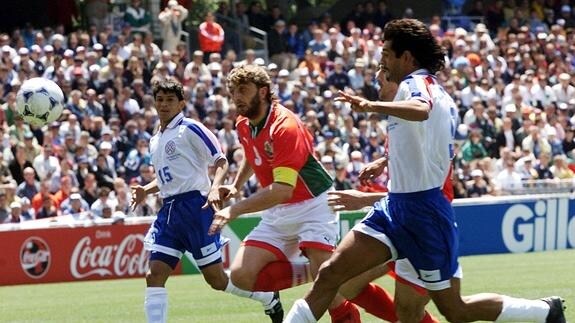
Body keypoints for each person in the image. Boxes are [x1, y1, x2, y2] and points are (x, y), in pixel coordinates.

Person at [285, 18, 566, 323]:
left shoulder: (415, 84)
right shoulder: (437, 93)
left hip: (425, 216)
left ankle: (544, 311)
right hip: (395, 209)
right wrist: (387, 160)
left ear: (406, 57)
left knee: (454, 310)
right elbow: (428, 148)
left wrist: (369, 106)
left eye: (386, 57)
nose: (382, 66)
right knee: (331, 274)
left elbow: (422, 110)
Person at [208, 64, 404, 323]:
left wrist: (234, 208)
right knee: (242, 277)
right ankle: (326, 272)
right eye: (233, 91)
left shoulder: (285, 126)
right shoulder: (244, 123)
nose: (236, 96)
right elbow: (251, 153)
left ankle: (336, 290)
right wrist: (236, 184)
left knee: (332, 295)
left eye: (243, 90)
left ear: (264, 91)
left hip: (314, 205)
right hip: (277, 210)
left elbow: (282, 190)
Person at [130, 79, 282, 323]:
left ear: (181, 103)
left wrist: (214, 188)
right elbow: (169, 177)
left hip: (195, 208)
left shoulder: (189, 128)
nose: (164, 105)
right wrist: (146, 190)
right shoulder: (155, 139)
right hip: (168, 211)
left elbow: (220, 160)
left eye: (170, 100)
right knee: (154, 275)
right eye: (160, 100)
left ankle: (267, 298)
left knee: (217, 281)